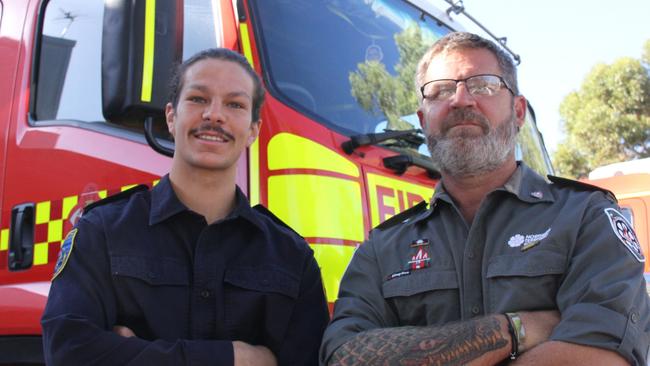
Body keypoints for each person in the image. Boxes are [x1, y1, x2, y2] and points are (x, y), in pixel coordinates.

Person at [320, 32, 650, 365]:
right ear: (423, 121)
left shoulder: (586, 217)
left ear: (518, 112)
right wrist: (511, 329)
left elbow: (602, 357)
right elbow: (342, 357)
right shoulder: (383, 246)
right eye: (441, 90)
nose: (460, 100)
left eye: (484, 86)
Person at [41, 48, 329, 366]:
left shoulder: (292, 258)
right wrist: (235, 358)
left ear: (253, 131)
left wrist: (138, 355)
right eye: (198, 99)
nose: (214, 115)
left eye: (234, 104)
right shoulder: (103, 233)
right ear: (170, 116)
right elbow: (69, 352)